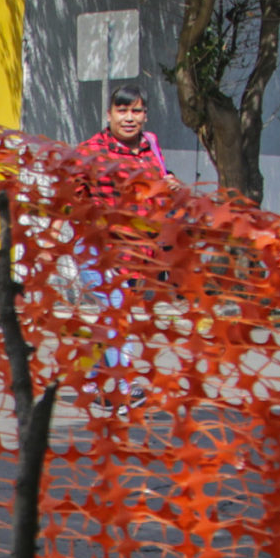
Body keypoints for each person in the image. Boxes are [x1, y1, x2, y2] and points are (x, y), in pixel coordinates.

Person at [75, 86, 169, 406]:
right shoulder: (90, 151)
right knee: (118, 314)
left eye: (136, 111)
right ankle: (120, 386)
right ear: (109, 114)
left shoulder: (150, 146)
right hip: (99, 250)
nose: (129, 118)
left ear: (145, 115)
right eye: (122, 110)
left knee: (111, 317)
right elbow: (69, 199)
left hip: (138, 249)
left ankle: (87, 379)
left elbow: (160, 181)